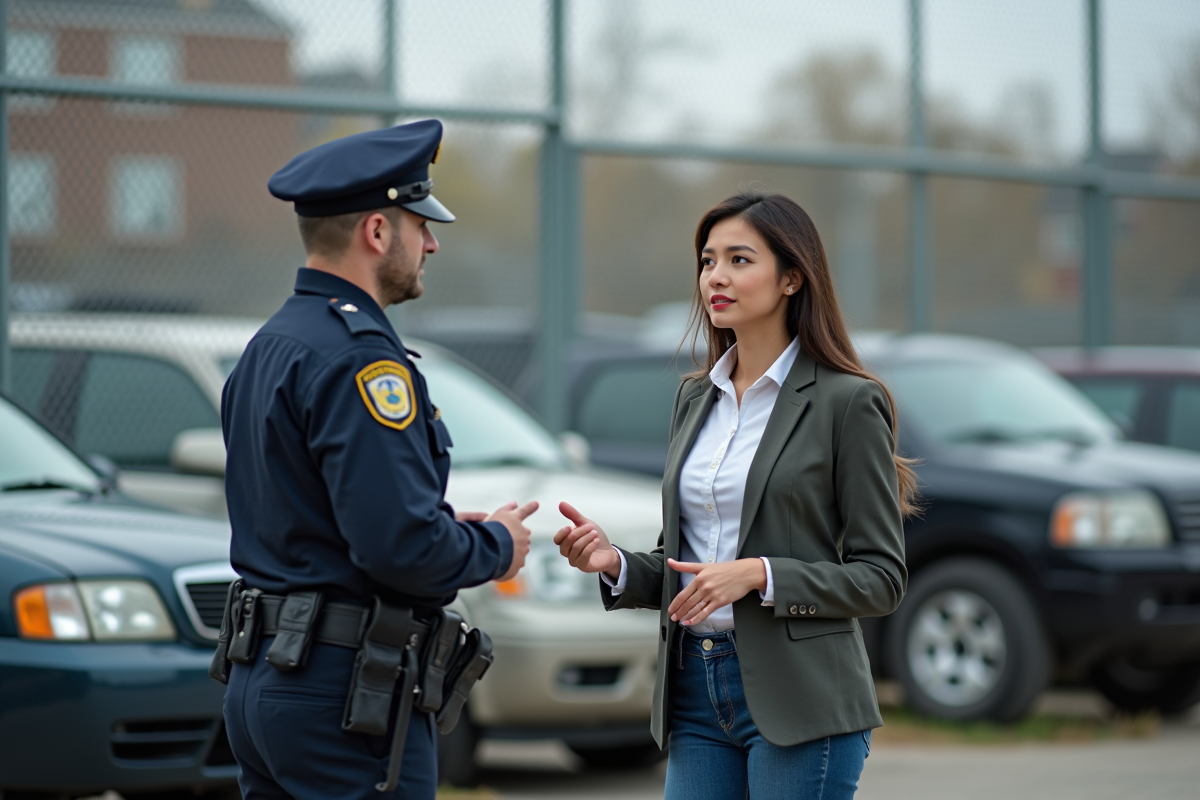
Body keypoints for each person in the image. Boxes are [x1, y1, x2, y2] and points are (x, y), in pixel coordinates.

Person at [554, 191, 915, 799]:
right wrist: (614, 563)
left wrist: (759, 574)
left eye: (739, 260)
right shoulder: (696, 398)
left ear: (792, 278)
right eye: (707, 261)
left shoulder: (847, 402)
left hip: (802, 697)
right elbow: (687, 563)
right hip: (695, 689)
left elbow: (881, 579)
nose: (715, 277)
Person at [219, 119, 537, 800]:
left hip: (266, 683)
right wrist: (494, 544)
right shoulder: (360, 358)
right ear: (375, 233)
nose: (432, 243)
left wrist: (442, 525)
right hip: (342, 698)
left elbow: (322, 514)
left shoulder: (271, 344)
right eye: (419, 224)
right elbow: (400, 548)